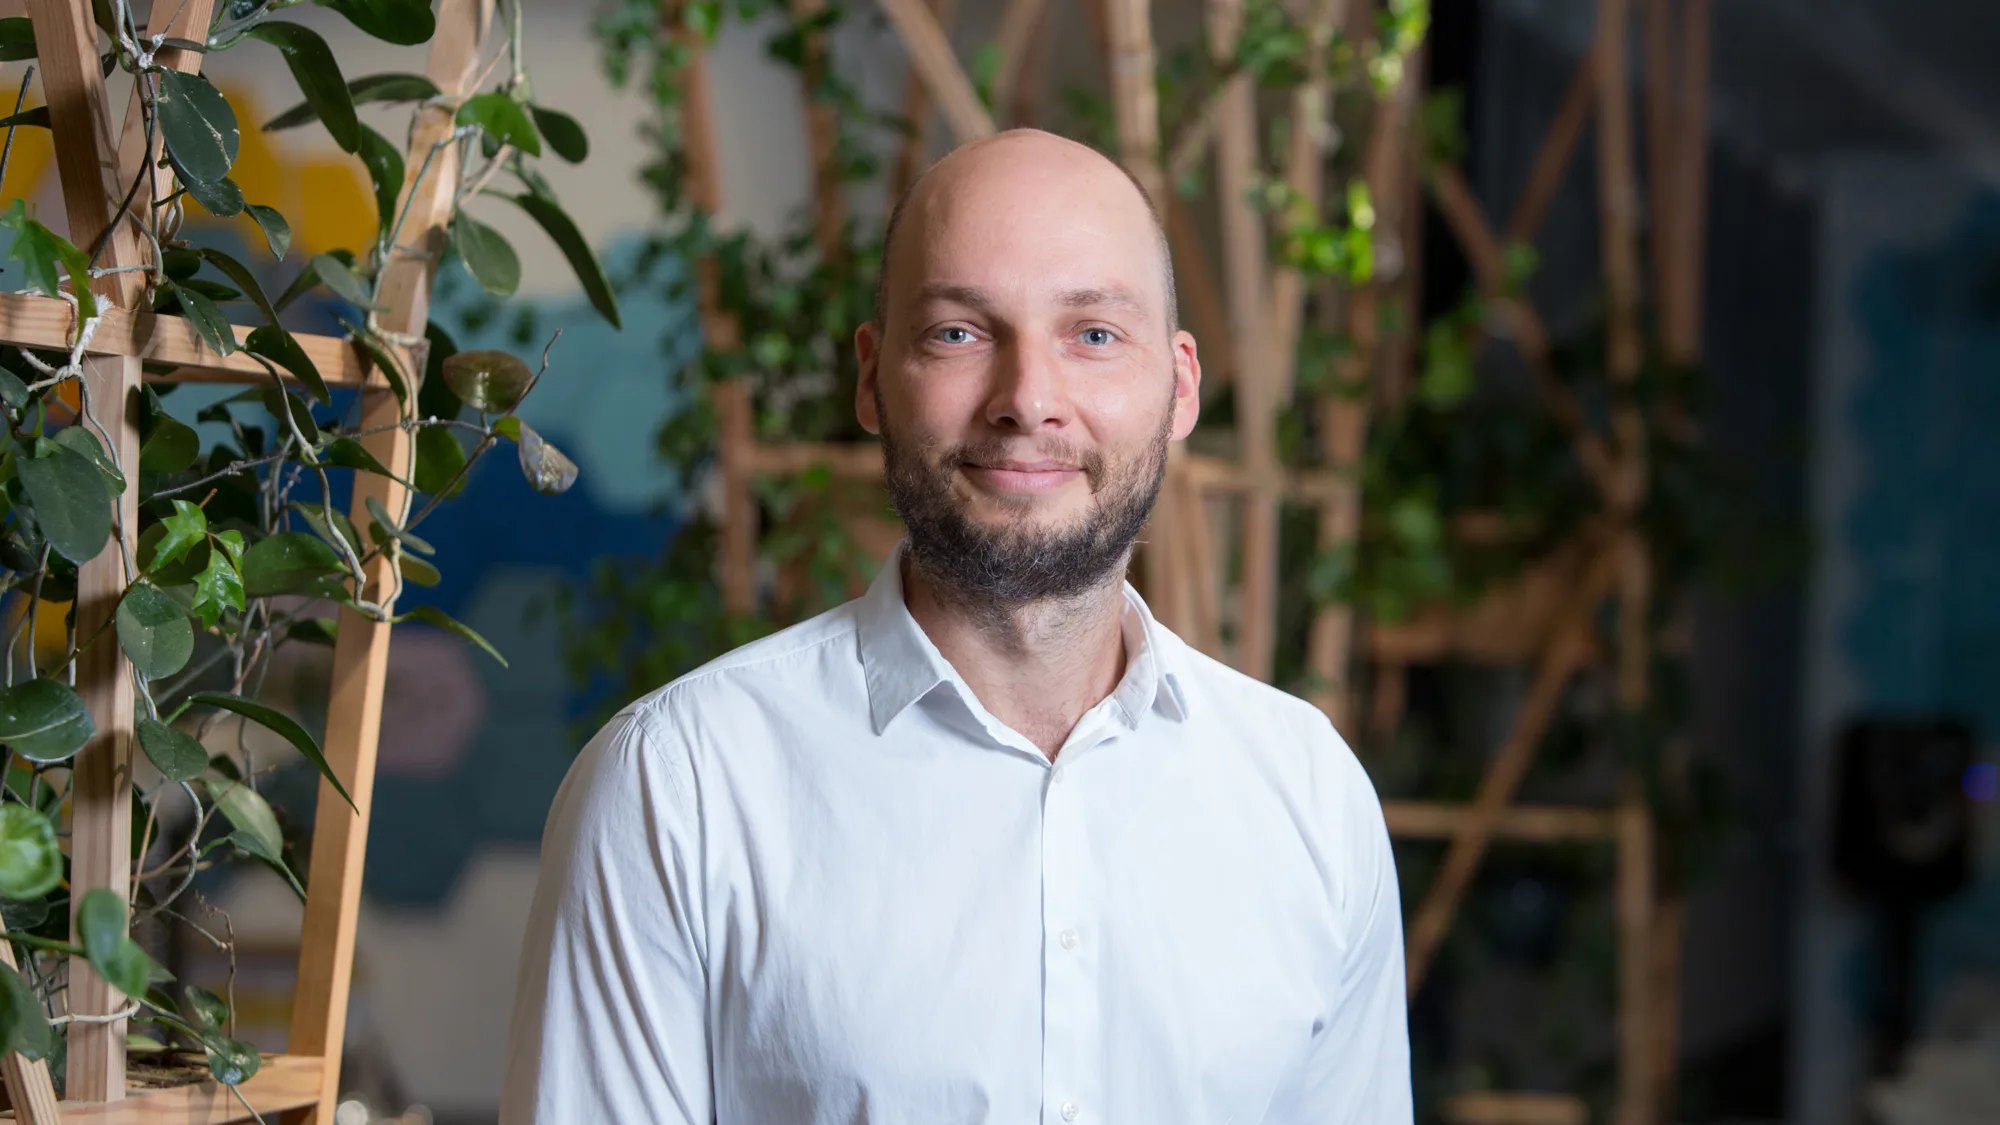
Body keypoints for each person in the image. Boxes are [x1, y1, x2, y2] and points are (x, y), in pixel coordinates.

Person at [501, 128, 1411, 1124]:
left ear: (1180, 385)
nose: (1026, 400)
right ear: (868, 377)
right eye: (957, 334)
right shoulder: (675, 789)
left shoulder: (1310, 798)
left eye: (1093, 335)